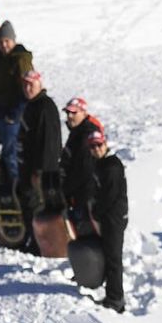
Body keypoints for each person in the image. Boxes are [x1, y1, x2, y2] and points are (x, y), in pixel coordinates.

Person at [17, 70, 63, 253]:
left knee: (37, 205)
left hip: (40, 169)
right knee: (28, 203)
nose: (28, 88)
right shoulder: (32, 105)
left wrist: (41, 171)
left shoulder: (44, 107)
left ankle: (38, 244)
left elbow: (49, 142)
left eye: (31, 84)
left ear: (40, 85)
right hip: (28, 165)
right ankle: (30, 239)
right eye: (25, 84)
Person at [87, 130, 128, 313]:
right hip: (107, 217)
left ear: (105, 144)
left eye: (99, 145)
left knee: (113, 258)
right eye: (92, 146)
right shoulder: (101, 164)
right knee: (108, 255)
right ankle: (111, 293)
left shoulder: (111, 166)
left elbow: (109, 196)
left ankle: (116, 298)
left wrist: (96, 211)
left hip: (114, 218)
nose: (96, 149)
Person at [0, 20, 33, 183]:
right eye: (0, 42)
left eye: (7, 41)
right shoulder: (0, 57)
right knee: (5, 152)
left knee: (10, 151)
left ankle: (16, 185)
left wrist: (14, 114)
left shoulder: (20, 59)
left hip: (11, 115)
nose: (4, 45)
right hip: (0, 111)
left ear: (13, 40)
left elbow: (26, 90)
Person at [59, 97, 104, 236]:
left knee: (88, 237)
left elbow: (83, 169)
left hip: (86, 196)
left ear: (83, 113)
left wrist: (66, 190)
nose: (70, 116)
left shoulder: (86, 135)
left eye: (74, 113)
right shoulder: (77, 132)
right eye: (68, 113)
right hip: (79, 195)